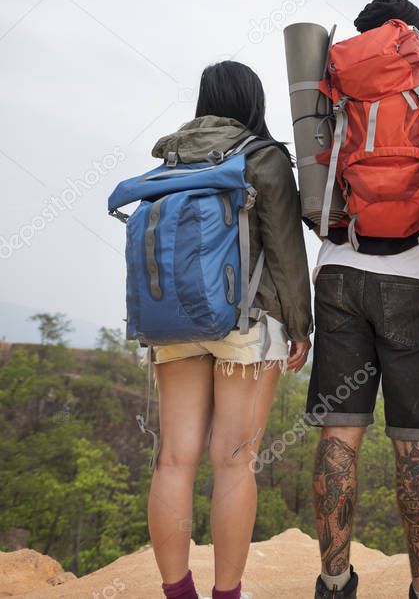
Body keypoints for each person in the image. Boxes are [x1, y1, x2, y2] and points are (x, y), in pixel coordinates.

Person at [305, 0, 419, 599]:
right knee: (416, 441)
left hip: (341, 273)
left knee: (339, 435)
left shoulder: (334, 92)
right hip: (418, 278)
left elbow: (312, 181)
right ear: (418, 42)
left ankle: (333, 580)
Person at [148, 61, 312, 599]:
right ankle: (226, 595)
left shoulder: (171, 154)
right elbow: (286, 251)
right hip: (248, 321)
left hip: (173, 320)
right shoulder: (263, 158)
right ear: (252, 102)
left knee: (174, 458)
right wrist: (300, 327)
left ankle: (178, 592)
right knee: (235, 462)